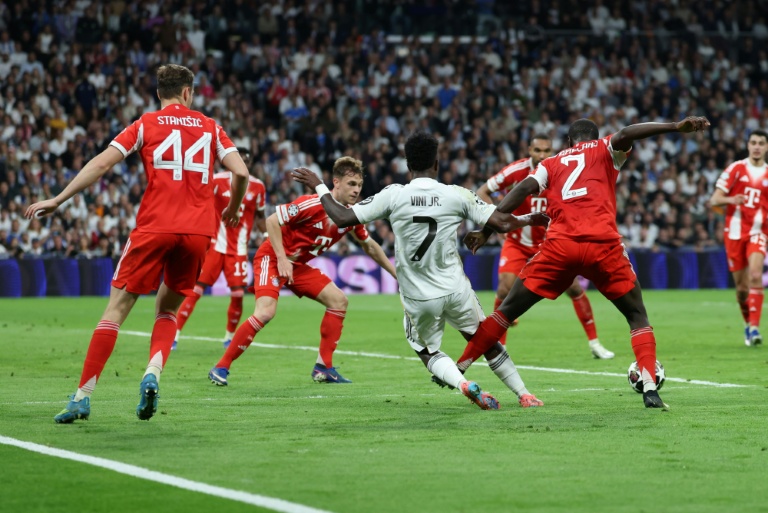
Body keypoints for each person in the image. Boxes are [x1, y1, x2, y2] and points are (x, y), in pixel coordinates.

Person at [25, 64, 249, 423]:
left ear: (159, 93)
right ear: (188, 93)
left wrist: (59, 199)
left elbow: (101, 164)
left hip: (155, 225)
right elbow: (241, 173)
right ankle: (152, 373)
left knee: (116, 308)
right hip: (197, 233)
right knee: (168, 311)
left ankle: (83, 396)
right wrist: (233, 210)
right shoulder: (211, 127)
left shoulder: (146, 123)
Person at [455, 116, 711, 410]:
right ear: (597, 137)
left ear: (567, 143)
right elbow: (628, 132)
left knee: (506, 311)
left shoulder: (550, 164)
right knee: (637, 316)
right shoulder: (605, 148)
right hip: (603, 246)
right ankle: (650, 388)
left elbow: (523, 189)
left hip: (560, 246)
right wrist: (675, 126)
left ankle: (460, 366)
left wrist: (487, 230)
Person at [293, 131, 549, 410]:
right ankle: (525, 394)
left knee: (427, 350)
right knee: (485, 339)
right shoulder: (456, 194)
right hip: (455, 288)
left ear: (407, 166)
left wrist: (319, 185)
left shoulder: (393, 195)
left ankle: (464, 385)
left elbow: (341, 217)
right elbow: (501, 222)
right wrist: (532, 218)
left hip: (419, 295)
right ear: (437, 164)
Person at [207, 156, 396, 386]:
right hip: (272, 257)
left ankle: (323, 367)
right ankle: (221, 366)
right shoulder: (312, 204)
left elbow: (370, 246)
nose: (356, 190)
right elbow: (271, 221)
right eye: (351, 184)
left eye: (359, 185)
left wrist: (395, 273)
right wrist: (281, 259)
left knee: (339, 301)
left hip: (297, 266)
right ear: (335, 182)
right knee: (265, 312)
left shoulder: (350, 216)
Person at [477, 133, 614, 359]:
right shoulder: (515, 171)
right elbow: (483, 191)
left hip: (549, 243)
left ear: (552, 151)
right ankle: (499, 346)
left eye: (546, 151)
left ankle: (595, 343)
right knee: (504, 288)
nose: (542, 155)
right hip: (518, 242)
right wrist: (496, 222)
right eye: (537, 150)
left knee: (574, 289)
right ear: (529, 150)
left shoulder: (559, 167)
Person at [174, 146, 267, 349]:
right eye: (240, 160)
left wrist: (267, 235)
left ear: (250, 164)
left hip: (239, 250)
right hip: (214, 246)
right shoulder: (217, 180)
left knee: (238, 294)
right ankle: (175, 333)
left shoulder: (258, 187)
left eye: (247, 161)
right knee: (195, 290)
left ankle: (229, 337)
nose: (243, 164)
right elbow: (199, 202)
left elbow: (260, 216)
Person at [708, 130, 768, 346]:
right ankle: (747, 325)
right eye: (753, 142)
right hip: (734, 233)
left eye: (761, 143)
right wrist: (733, 199)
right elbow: (715, 199)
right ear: (748, 145)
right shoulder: (736, 168)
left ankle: (754, 328)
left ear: (766, 147)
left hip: (758, 232)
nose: (757, 146)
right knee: (742, 290)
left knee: (755, 274)